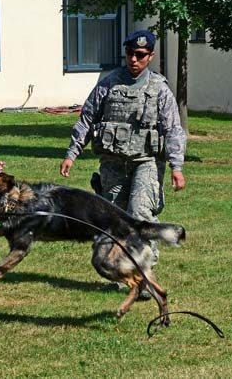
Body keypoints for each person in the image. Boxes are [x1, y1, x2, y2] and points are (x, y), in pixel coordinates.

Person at [59, 30, 186, 295]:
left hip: (146, 162)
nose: (134, 60)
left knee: (140, 215)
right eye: (130, 54)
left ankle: (144, 279)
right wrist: (72, 153)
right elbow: (87, 119)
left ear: (150, 56)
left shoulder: (159, 88)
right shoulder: (109, 84)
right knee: (115, 221)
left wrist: (176, 167)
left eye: (140, 55)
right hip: (113, 164)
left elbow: (173, 129)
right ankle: (123, 273)